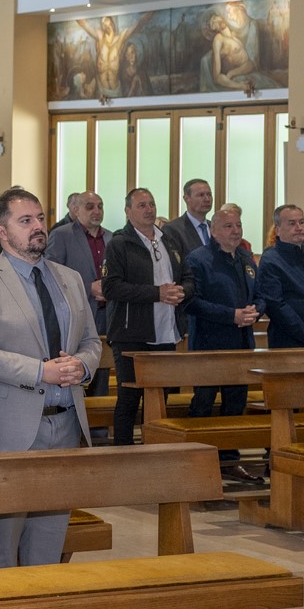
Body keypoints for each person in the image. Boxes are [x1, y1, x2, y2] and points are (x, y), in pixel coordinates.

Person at [0, 188, 99, 609]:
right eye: (25, 220)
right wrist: (41, 371)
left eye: (39, 218)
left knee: (49, 535)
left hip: (65, 423)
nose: (37, 226)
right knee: (2, 539)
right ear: (1, 231)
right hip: (10, 426)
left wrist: (81, 365)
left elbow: (92, 341)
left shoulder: (70, 278)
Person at [102, 188, 192, 444]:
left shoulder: (169, 241)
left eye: (151, 204)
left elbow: (188, 276)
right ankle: (123, 452)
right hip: (131, 333)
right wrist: (156, 293)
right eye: (141, 205)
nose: (149, 209)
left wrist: (182, 291)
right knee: (129, 397)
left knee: (161, 396)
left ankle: (155, 448)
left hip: (166, 332)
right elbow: (111, 287)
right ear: (128, 211)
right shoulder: (119, 243)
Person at [186, 205, 265, 481]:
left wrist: (255, 311)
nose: (235, 231)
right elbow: (191, 302)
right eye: (229, 226)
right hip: (209, 345)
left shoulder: (245, 257)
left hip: (241, 344)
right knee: (204, 403)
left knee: (235, 403)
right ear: (213, 230)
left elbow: (261, 294)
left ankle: (229, 461)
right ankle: (196, 462)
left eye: (238, 225)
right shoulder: (198, 259)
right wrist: (231, 315)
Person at [44, 190, 112, 397]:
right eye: (90, 207)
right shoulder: (62, 235)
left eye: (100, 206)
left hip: (106, 314)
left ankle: (99, 416)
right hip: (77, 312)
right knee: (76, 368)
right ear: (75, 209)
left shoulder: (111, 237)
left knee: (102, 368)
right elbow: (51, 273)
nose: (96, 211)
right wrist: (88, 287)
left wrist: (110, 288)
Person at [257, 204, 304, 349]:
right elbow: (276, 305)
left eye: (301, 222)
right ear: (277, 230)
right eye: (292, 223)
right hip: (289, 340)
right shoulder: (271, 260)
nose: (299, 227)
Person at [165, 178, 214, 256]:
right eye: (201, 195)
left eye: (209, 194)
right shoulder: (173, 230)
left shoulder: (215, 227)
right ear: (187, 199)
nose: (207, 199)